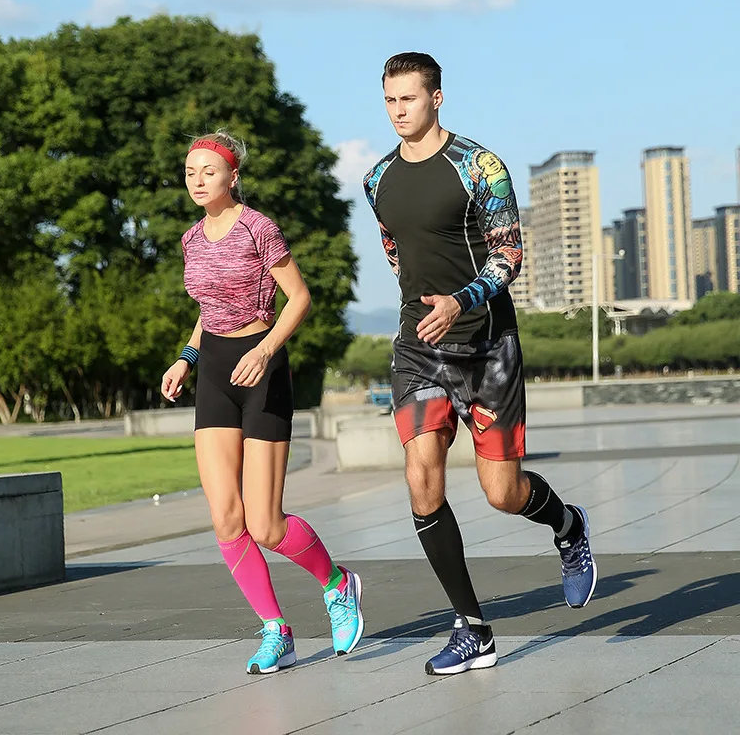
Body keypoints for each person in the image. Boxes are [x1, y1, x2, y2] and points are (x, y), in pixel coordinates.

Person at [362, 53, 596, 676]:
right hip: (419, 349)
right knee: (421, 477)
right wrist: (425, 309)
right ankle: (472, 628)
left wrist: (459, 301)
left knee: (502, 494)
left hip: (487, 348)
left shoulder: (479, 166)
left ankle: (568, 525)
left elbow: (509, 253)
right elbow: (396, 250)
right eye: (389, 101)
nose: (397, 111)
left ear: (436, 98)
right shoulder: (377, 178)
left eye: (408, 99)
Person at [162, 131, 364, 674]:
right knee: (227, 519)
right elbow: (209, 310)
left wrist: (266, 348)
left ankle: (337, 583)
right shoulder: (190, 239)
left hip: (263, 369)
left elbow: (299, 298)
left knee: (266, 524)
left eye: (208, 171)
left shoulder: (258, 228)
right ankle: (276, 629)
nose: (197, 180)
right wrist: (185, 358)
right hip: (214, 374)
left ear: (232, 176)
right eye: (190, 172)